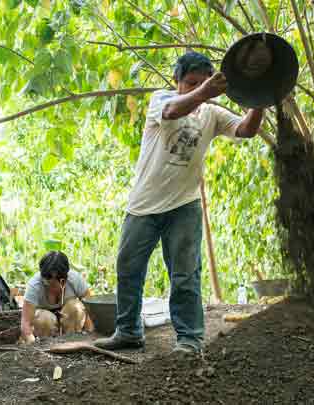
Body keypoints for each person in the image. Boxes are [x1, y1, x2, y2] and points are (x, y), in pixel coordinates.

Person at [94, 51, 264, 355]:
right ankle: (128, 332)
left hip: (185, 206)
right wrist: (205, 92)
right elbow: (173, 111)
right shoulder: (162, 100)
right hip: (144, 204)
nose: (198, 88)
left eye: (203, 82)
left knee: (185, 274)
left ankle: (189, 339)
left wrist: (260, 97)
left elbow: (246, 130)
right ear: (177, 81)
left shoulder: (212, 114)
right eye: (191, 83)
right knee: (128, 268)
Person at [20, 251, 94, 343]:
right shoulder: (34, 286)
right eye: (48, 280)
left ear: (65, 277)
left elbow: (91, 309)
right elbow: (26, 323)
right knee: (43, 319)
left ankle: (70, 340)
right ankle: (47, 344)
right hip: (45, 324)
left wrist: (90, 335)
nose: (52, 284)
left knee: (76, 308)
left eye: (57, 280)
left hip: (68, 321)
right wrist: (31, 342)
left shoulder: (75, 279)